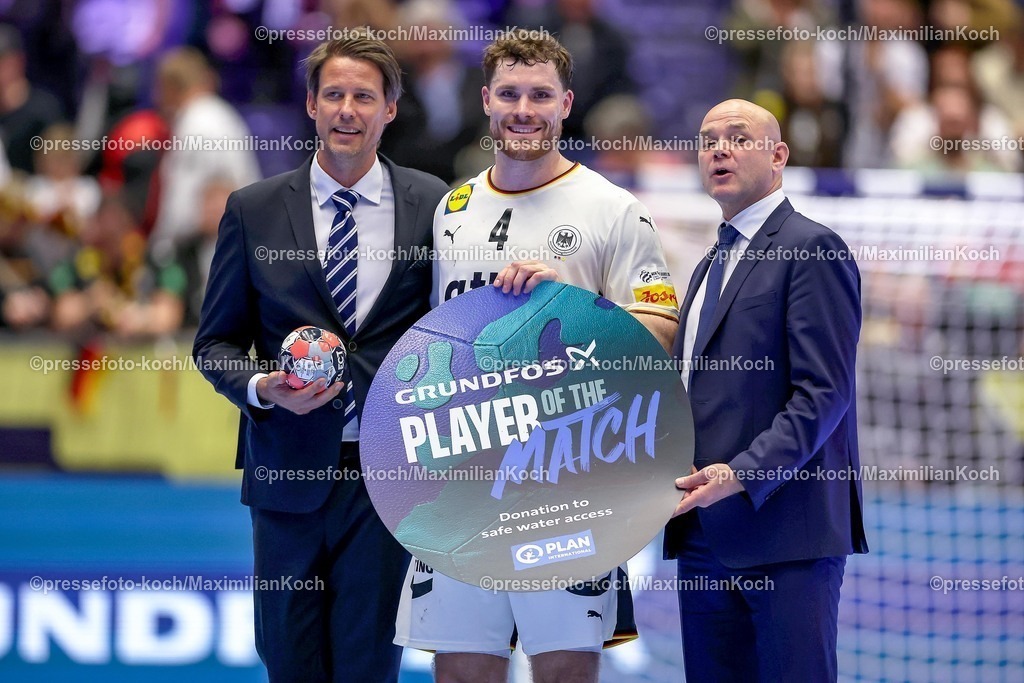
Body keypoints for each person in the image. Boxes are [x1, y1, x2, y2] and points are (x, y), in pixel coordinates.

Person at [394, 30, 679, 683]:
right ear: (488, 100)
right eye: (512, 94)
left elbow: (661, 326)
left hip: (571, 470)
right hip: (462, 473)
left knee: (564, 670)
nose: (525, 108)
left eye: (541, 95)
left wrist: (570, 307)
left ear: (566, 103)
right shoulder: (451, 209)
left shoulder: (614, 208)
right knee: (462, 670)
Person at [191, 33, 448, 682]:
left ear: (390, 109)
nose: (347, 109)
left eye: (365, 96)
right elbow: (213, 343)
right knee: (290, 663)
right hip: (286, 477)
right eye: (333, 93)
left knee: (368, 667)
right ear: (309, 104)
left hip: (389, 479)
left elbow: (454, 330)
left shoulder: (432, 204)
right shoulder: (253, 210)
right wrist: (259, 385)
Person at [666, 99, 869, 682]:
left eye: (737, 137)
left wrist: (742, 474)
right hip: (704, 534)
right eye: (707, 140)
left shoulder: (811, 248)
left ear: (778, 156)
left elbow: (823, 394)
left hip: (786, 533)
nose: (718, 149)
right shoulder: (710, 261)